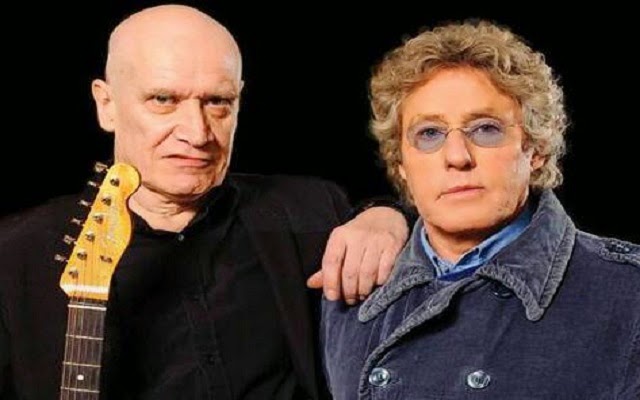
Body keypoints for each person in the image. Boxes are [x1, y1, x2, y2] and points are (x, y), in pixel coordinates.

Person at [0, 5, 413, 400]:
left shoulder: (307, 208)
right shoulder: (15, 254)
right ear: (106, 105)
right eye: (163, 100)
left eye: (217, 102)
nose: (197, 133)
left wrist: (388, 216)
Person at [322, 20, 640, 399]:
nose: (457, 157)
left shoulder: (627, 294)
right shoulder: (349, 287)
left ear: (535, 148)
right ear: (401, 163)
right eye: (429, 134)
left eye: (486, 129)